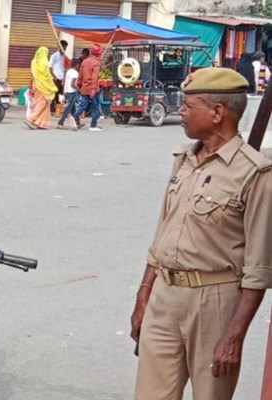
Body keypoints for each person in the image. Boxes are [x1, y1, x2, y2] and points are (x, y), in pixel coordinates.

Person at [131, 67, 272, 400]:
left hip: (214, 303)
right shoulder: (184, 159)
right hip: (164, 296)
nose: (180, 111)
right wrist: (143, 297)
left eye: (188, 105)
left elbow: (258, 270)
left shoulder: (255, 173)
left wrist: (234, 336)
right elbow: (161, 235)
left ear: (217, 112)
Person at [25, 47, 57, 130]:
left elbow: (31, 75)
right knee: (42, 103)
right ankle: (30, 118)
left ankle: (42, 123)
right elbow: (47, 76)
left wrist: (30, 86)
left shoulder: (34, 62)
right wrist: (52, 84)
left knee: (45, 105)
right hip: (43, 86)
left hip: (36, 84)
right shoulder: (45, 64)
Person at [75, 44, 103, 132]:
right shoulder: (96, 64)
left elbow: (80, 75)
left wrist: (78, 84)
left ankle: (75, 117)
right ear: (99, 54)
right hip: (93, 89)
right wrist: (93, 90)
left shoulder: (84, 61)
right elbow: (94, 78)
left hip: (84, 87)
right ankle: (93, 124)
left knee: (82, 105)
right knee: (95, 106)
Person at [57, 57, 81, 130]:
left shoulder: (68, 71)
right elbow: (73, 84)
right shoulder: (75, 73)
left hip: (67, 92)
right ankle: (60, 123)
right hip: (72, 92)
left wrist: (64, 91)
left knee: (73, 108)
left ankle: (77, 123)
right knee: (67, 109)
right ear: (77, 65)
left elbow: (65, 82)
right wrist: (79, 90)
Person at [49, 40, 68, 113]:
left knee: (60, 95)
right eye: (64, 46)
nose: (65, 48)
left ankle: (58, 109)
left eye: (65, 47)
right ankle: (52, 109)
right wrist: (55, 77)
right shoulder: (54, 56)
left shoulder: (64, 56)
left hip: (62, 78)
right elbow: (50, 67)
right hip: (56, 78)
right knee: (54, 94)